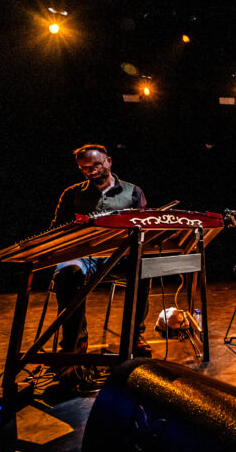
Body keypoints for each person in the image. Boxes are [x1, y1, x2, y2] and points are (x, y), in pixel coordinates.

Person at [51, 144, 151, 362]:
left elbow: (144, 228)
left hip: (119, 258)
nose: (92, 171)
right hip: (84, 259)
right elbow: (56, 230)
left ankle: (134, 336)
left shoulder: (133, 191)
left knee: (144, 270)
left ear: (109, 162)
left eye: (96, 164)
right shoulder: (72, 194)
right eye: (85, 168)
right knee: (68, 273)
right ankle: (74, 344)